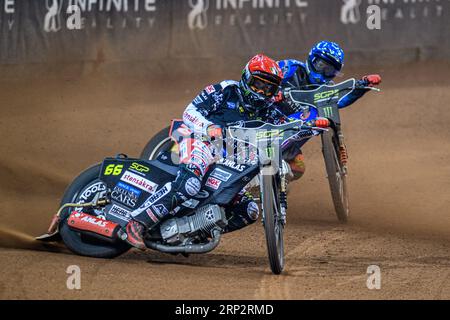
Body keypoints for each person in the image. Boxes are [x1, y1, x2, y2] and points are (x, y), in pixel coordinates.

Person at [121, 54, 284, 249]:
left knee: (249, 210)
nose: (261, 92)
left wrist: (315, 122)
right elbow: (190, 112)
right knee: (190, 184)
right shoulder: (223, 91)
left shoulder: (271, 110)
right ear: (246, 77)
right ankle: (137, 222)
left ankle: (193, 231)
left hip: (232, 157)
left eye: (268, 88)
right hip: (201, 140)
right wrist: (208, 127)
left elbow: (292, 123)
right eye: (257, 84)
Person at [276, 40, 381, 180]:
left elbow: (339, 101)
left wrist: (362, 86)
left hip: (289, 139)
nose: (323, 73)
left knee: (298, 168)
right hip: (266, 119)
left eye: (329, 70)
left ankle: (274, 190)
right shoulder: (291, 68)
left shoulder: (327, 88)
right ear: (312, 59)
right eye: (321, 66)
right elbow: (262, 79)